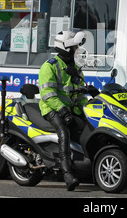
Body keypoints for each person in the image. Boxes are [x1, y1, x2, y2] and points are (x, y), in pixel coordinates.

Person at [38, 29, 88, 191]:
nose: (76, 50)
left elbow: (80, 93)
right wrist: (63, 110)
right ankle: (67, 174)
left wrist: (86, 111)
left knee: (87, 128)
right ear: (66, 48)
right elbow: (47, 94)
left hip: (69, 109)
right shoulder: (49, 66)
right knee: (64, 132)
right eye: (74, 48)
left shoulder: (76, 68)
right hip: (51, 109)